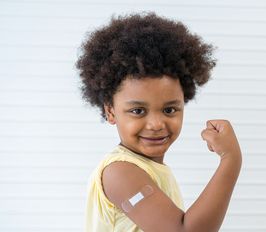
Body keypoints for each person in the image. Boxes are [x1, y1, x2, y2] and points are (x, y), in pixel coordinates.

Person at [76, 12, 242, 232]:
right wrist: (231, 160)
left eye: (169, 109)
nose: (156, 124)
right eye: (138, 110)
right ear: (110, 111)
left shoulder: (149, 169)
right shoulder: (120, 172)